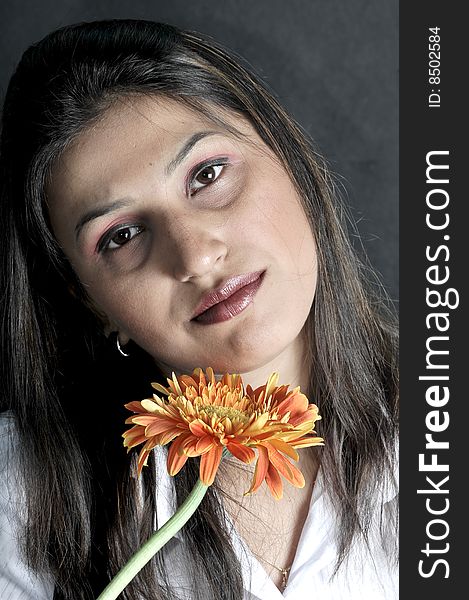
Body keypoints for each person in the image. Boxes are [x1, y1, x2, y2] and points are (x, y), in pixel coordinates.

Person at [0, 19, 398, 600]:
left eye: (207, 175)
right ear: (89, 300)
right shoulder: (19, 501)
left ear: (289, 160)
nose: (194, 254)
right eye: (122, 235)